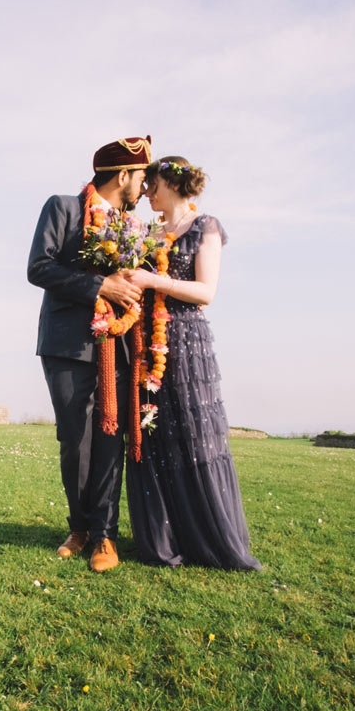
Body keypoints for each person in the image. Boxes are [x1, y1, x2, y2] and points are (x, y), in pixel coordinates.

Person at [124, 156, 262, 570]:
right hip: (147, 342)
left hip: (186, 341)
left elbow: (206, 291)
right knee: (154, 434)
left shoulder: (206, 227)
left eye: (153, 185)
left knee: (195, 435)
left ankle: (210, 539)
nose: (147, 192)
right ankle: (164, 539)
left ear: (171, 183)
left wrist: (153, 280)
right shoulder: (147, 234)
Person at [27, 136, 151, 572]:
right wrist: (100, 285)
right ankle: (79, 527)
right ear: (123, 176)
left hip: (117, 346)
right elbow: (38, 268)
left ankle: (105, 536)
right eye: (140, 177)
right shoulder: (62, 207)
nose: (144, 186)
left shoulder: (133, 227)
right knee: (74, 440)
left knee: (109, 439)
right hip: (66, 344)